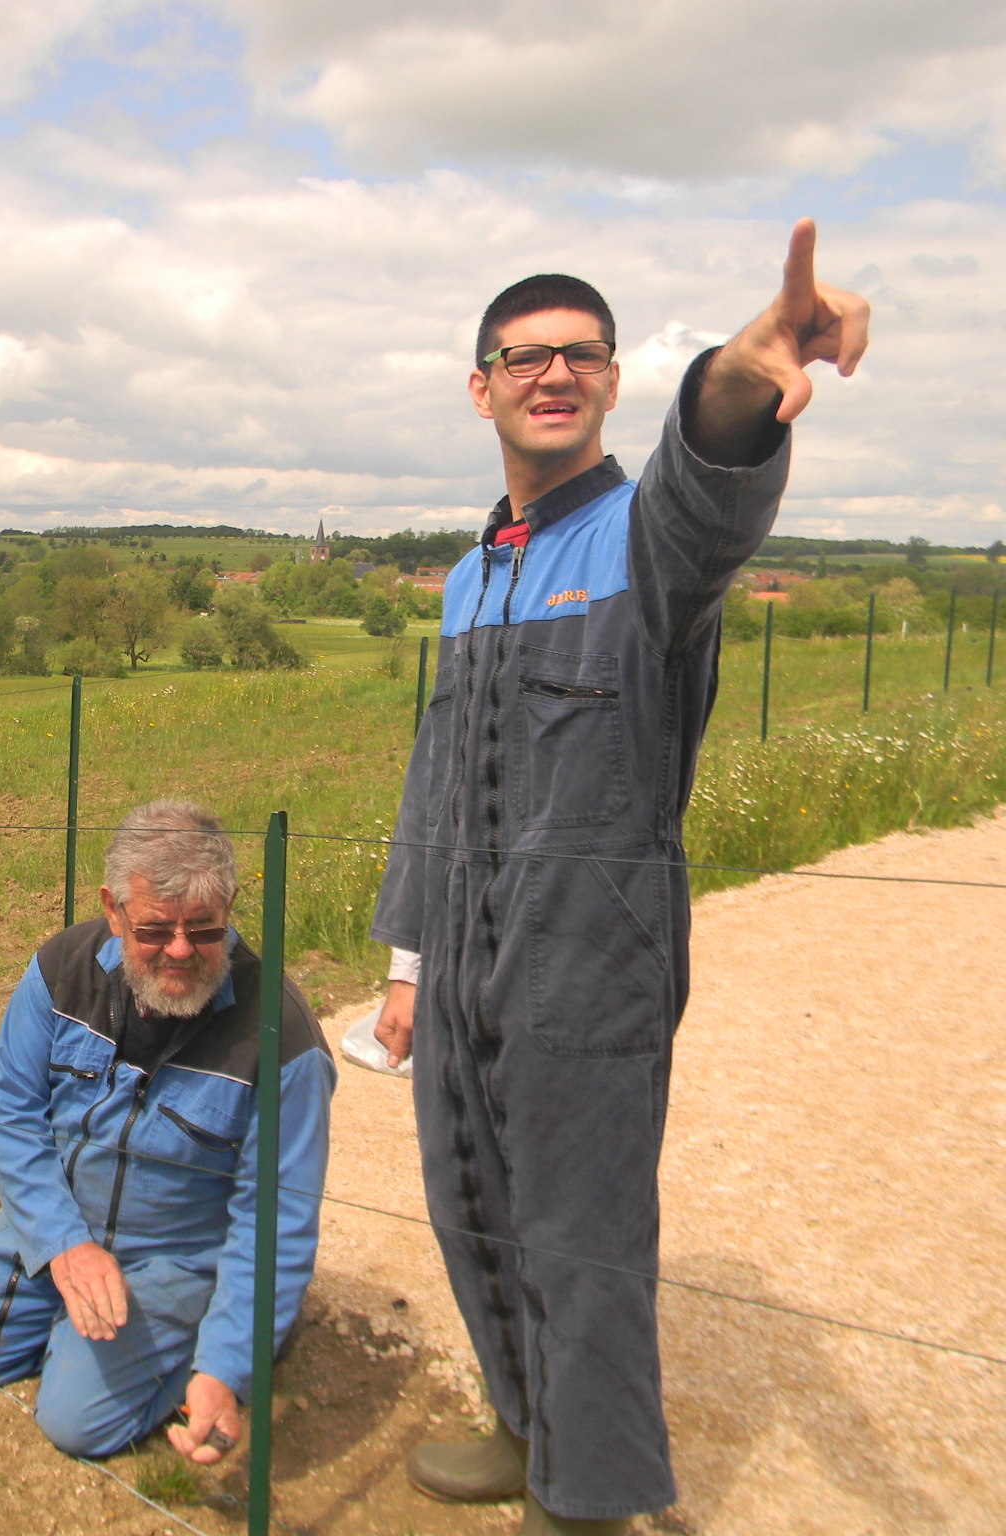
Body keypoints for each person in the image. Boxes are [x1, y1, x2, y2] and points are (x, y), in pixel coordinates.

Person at [369, 221, 869, 1534]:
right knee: (471, 1203)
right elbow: (437, 778)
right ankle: (524, 1427)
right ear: (480, 386)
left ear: (609, 382)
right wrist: (410, 961)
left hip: (593, 958)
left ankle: (585, 1502)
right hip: (467, 955)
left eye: (579, 354)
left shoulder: (650, 551)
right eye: (522, 356)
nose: (551, 374)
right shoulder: (471, 576)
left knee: (578, 1244)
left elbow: (712, 478)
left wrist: (748, 372)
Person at [0, 801, 334, 1462]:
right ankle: (90, 1323)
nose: (181, 951)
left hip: (175, 1254)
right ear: (113, 909)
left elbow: (276, 1221)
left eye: (203, 929)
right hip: (61, 1219)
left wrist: (225, 1371)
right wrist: (64, 1245)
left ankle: (232, 1337)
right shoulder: (61, 969)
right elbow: (9, 1106)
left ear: (231, 904)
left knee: (73, 1422)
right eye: (155, 930)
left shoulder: (281, 1035)